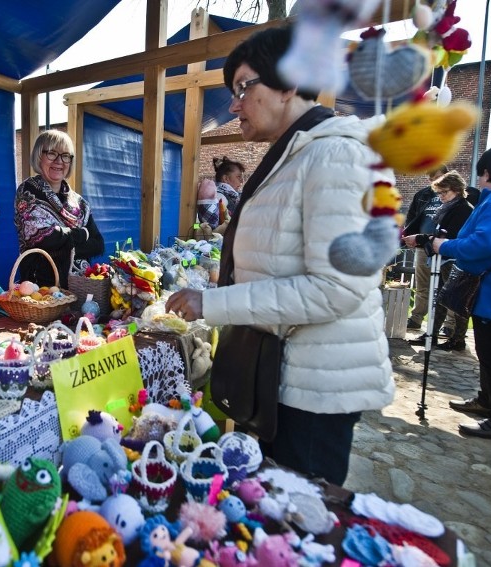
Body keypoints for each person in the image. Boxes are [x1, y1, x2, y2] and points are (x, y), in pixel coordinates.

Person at [165, 24, 395, 485]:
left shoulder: (334, 156)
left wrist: (214, 303)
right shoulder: (293, 154)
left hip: (313, 391)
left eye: (243, 87)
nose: (234, 105)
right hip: (284, 377)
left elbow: (336, 288)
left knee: (295, 517)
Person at [433, 142, 491, 443]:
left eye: (481, 175)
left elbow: (484, 244)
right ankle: (488, 400)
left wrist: (444, 246)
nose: (478, 182)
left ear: (488, 172)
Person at [13, 129, 104, 289]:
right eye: (52, 153)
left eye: (65, 155)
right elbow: (44, 238)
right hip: (40, 289)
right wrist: (83, 233)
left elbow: (98, 244)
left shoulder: (80, 203)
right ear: (39, 156)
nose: (59, 161)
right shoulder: (28, 191)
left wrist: (62, 245)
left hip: (79, 286)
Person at [404, 170, 473, 351]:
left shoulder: (463, 209)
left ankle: (458, 339)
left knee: (455, 300)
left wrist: (421, 238)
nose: (441, 196)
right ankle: (431, 335)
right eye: (439, 193)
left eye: (444, 192)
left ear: (457, 190)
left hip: (454, 260)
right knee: (440, 298)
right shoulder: (449, 207)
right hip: (443, 259)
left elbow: (450, 236)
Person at [402, 165, 451, 333]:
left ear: (447, 175)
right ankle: (416, 318)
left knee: (449, 286)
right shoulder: (422, 194)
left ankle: (449, 326)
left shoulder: (455, 194)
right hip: (423, 245)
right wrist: (410, 235)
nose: (433, 182)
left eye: (437, 177)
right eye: (430, 179)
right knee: (423, 284)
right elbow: (412, 217)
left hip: (448, 246)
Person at [196, 156, 246, 227]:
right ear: (226, 178)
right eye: (238, 176)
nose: (241, 181)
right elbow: (204, 225)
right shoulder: (220, 196)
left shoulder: (233, 196)